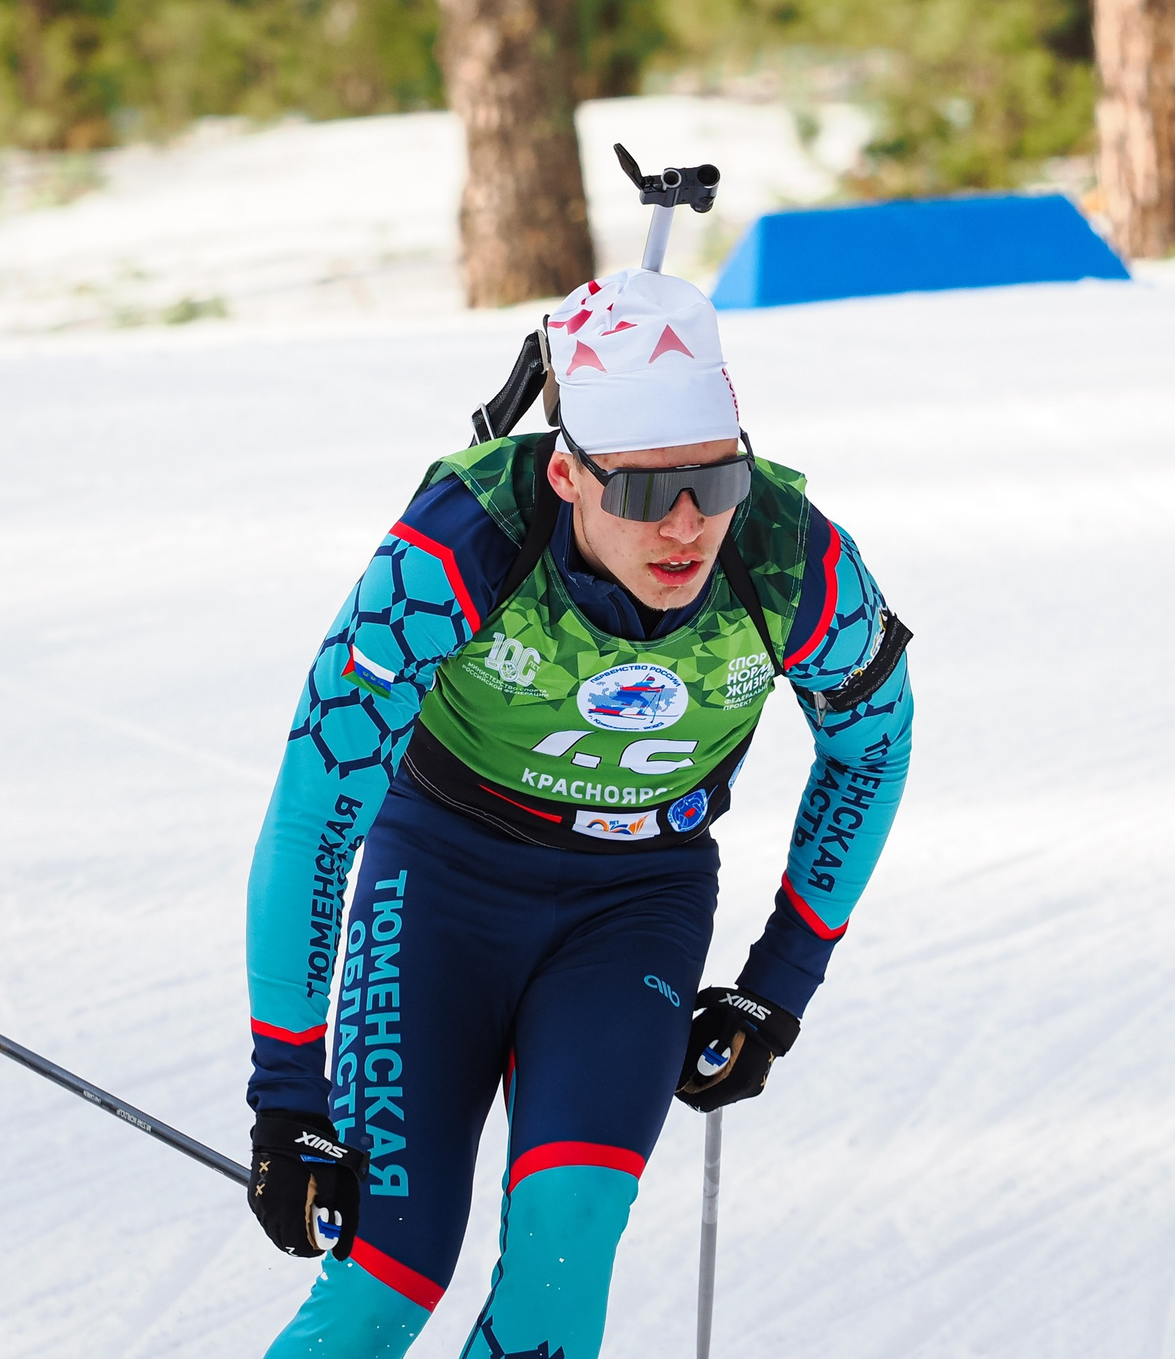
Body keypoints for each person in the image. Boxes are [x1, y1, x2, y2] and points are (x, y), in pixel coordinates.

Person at [242, 267, 914, 1358]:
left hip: (633, 909)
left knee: (569, 1239)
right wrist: (286, 1088)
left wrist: (775, 988)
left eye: (713, 479)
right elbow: (319, 809)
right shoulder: (455, 549)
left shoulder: (793, 560)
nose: (686, 524)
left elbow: (873, 743)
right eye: (645, 493)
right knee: (385, 1280)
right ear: (565, 471)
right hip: (443, 887)